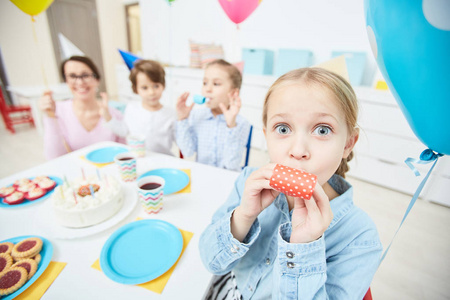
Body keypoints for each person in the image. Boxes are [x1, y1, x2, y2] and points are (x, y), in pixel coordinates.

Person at [199, 68, 382, 299]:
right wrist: (243, 216)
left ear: (348, 144)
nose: (298, 151)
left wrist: (304, 247)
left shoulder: (359, 236)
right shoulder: (247, 181)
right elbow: (211, 263)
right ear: (266, 136)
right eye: (283, 129)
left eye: (322, 130)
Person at [39, 56, 124, 160]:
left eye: (85, 75)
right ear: (66, 81)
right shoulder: (58, 111)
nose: (80, 82)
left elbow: (125, 154)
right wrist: (49, 116)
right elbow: (53, 158)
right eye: (72, 76)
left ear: (97, 79)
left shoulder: (115, 114)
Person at [175, 59, 251, 171]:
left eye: (216, 84)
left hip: (227, 178)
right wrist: (182, 119)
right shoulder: (197, 116)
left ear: (234, 93)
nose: (208, 89)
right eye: (205, 83)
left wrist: (231, 126)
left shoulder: (242, 123)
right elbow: (188, 151)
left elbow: (232, 164)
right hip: (203, 174)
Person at [105, 59, 176, 156]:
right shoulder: (132, 108)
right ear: (136, 89)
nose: (151, 92)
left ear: (163, 85)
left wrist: (183, 120)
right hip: (138, 159)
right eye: (144, 88)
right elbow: (123, 131)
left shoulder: (171, 114)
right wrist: (106, 115)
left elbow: (181, 141)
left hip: (164, 160)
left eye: (156, 86)